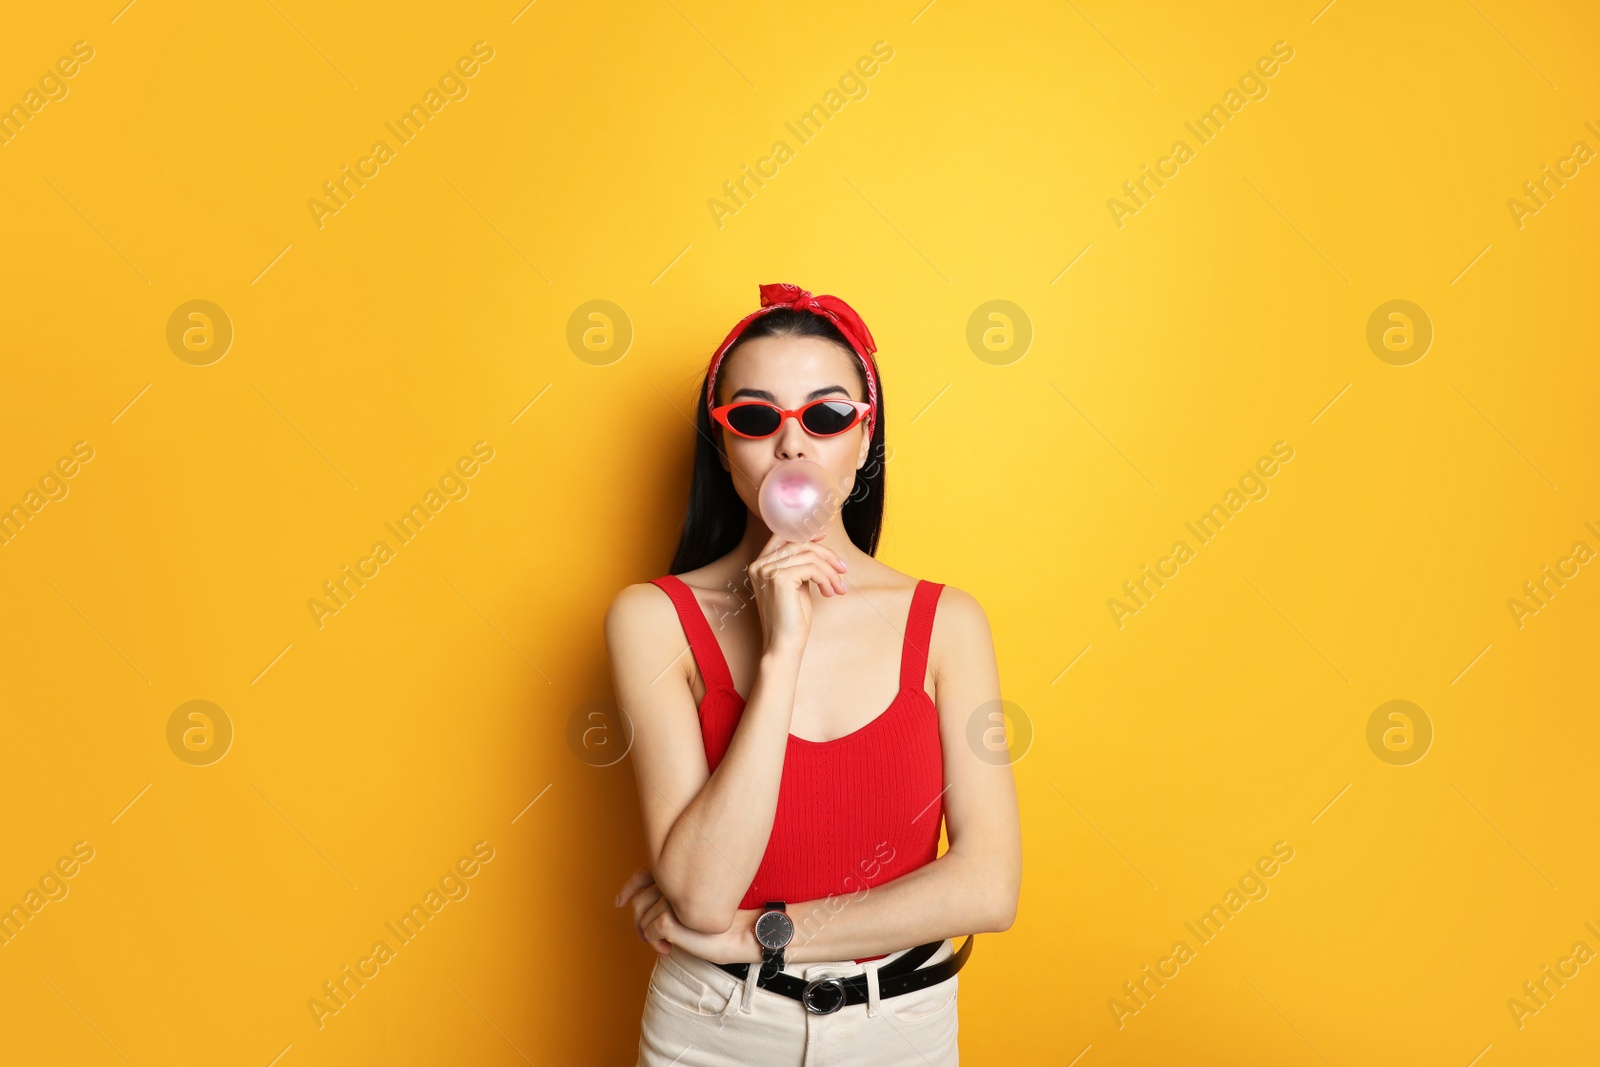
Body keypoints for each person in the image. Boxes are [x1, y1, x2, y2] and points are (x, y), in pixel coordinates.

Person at [606, 283, 1021, 1066]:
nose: (792, 445)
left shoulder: (949, 622)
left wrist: (758, 930)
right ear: (724, 446)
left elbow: (988, 885)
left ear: (863, 442)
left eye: (826, 416)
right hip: (714, 1028)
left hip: (901, 1028)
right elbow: (697, 891)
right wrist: (780, 650)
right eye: (758, 418)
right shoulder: (652, 619)